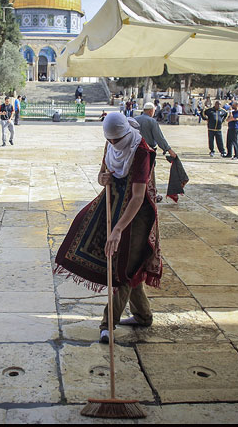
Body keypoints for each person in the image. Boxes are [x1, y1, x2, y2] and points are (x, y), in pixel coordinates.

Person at [54, 112, 162, 344]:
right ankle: (143, 316)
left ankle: (107, 323)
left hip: (137, 216)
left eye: (116, 140)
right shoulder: (112, 142)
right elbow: (102, 174)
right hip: (113, 204)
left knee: (123, 268)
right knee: (130, 267)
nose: (113, 144)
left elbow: (137, 196)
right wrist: (104, 179)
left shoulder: (141, 151)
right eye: (109, 140)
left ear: (125, 133)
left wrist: (118, 229)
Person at [135, 102, 177, 202]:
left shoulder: (134, 120)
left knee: (137, 173)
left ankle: (138, 193)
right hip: (148, 151)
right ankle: (151, 195)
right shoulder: (151, 121)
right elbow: (159, 138)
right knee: (149, 173)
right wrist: (169, 149)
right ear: (150, 111)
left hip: (135, 151)